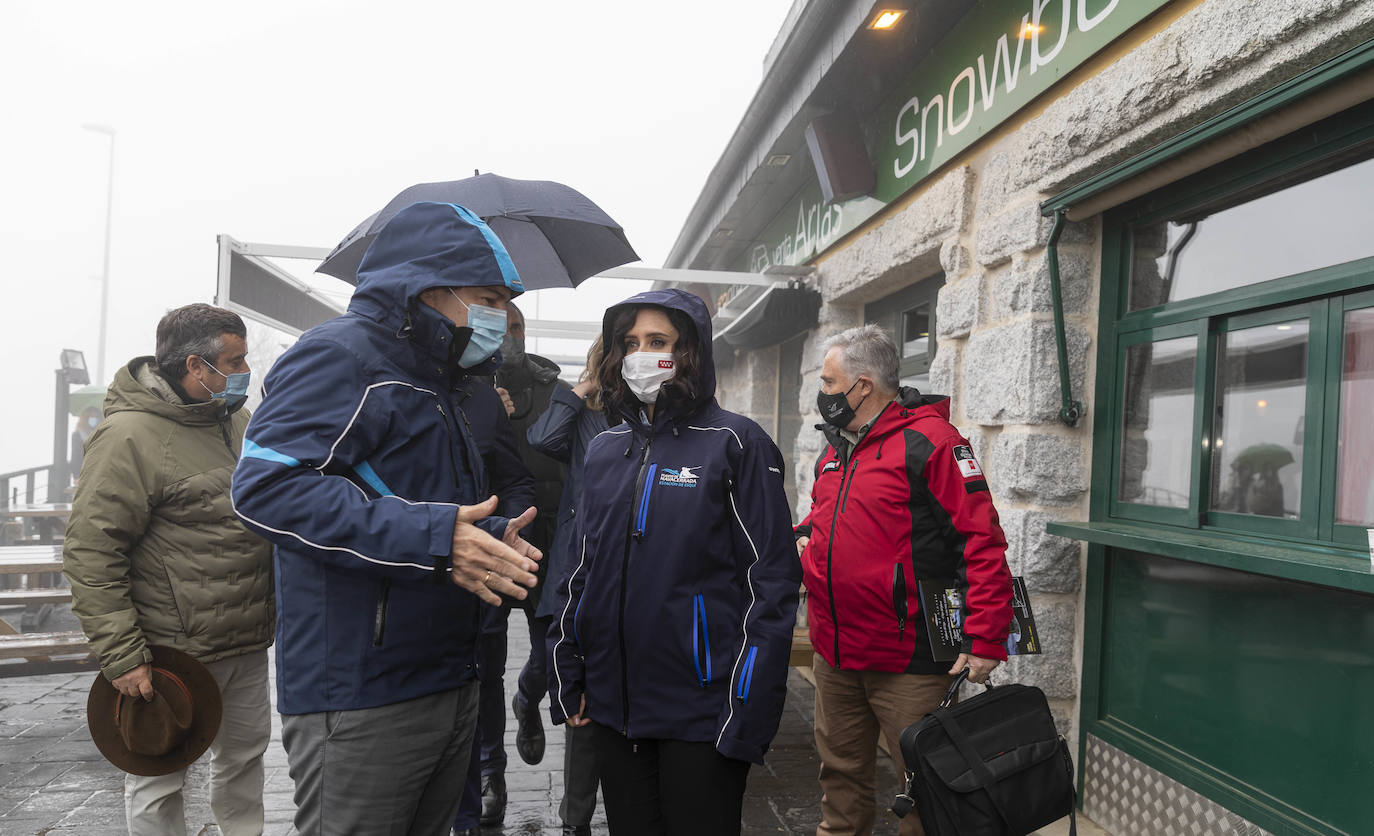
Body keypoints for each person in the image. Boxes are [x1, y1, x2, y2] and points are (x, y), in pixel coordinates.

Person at [230, 201, 541, 836]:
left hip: (448, 674)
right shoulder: (339, 356)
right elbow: (266, 487)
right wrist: (437, 538)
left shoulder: (444, 383)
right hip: (361, 693)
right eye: (487, 297)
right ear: (425, 289)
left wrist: (479, 540)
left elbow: (415, 506)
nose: (502, 316)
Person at [547, 289, 800, 836]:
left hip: (703, 714)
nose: (641, 354)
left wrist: (747, 711)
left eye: (657, 341)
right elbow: (578, 572)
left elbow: (772, 587)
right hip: (615, 711)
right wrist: (569, 672)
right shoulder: (605, 451)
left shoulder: (736, 444)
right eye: (630, 342)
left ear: (690, 351)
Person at [794, 324, 1014, 836]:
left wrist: (985, 639)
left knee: (923, 791)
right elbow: (826, 517)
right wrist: (805, 537)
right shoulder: (836, 448)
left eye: (828, 383)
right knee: (840, 780)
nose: (822, 395)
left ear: (863, 385)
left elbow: (981, 542)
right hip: (835, 652)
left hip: (909, 662)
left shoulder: (933, 443)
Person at [63, 303, 274, 836]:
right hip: (169, 648)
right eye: (236, 359)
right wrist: (123, 656)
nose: (245, 371)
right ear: (196, 367)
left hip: (245, 639)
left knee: (245, 765)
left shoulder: (238, 423)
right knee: (159, 776)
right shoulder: (128, 437)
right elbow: (91, 552)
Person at [458, 300, 570, 829]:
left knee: (555, 644)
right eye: (499, 327)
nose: (509, 337)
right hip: (484, 541)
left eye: (518, 327)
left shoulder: (555, 388)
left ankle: (529, 699)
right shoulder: (460, 392)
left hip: (544, 542)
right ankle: (490, 771)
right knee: (486, 663)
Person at [526, 336, 614, 836]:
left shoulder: (651, 414)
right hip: (578, 571)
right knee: (579, 704)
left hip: (632, 572)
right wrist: (584, 387)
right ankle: (574, 821)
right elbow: (541, 439)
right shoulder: (583, 414)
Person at [69, 404, 102, 481]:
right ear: (84, 418)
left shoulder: (102, 432)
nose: (93, 419)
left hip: (101, 473)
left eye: (96, 417)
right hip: (84, 473)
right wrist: (76, 476)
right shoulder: (77, 434)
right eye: (90, 417)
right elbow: (76, 455)